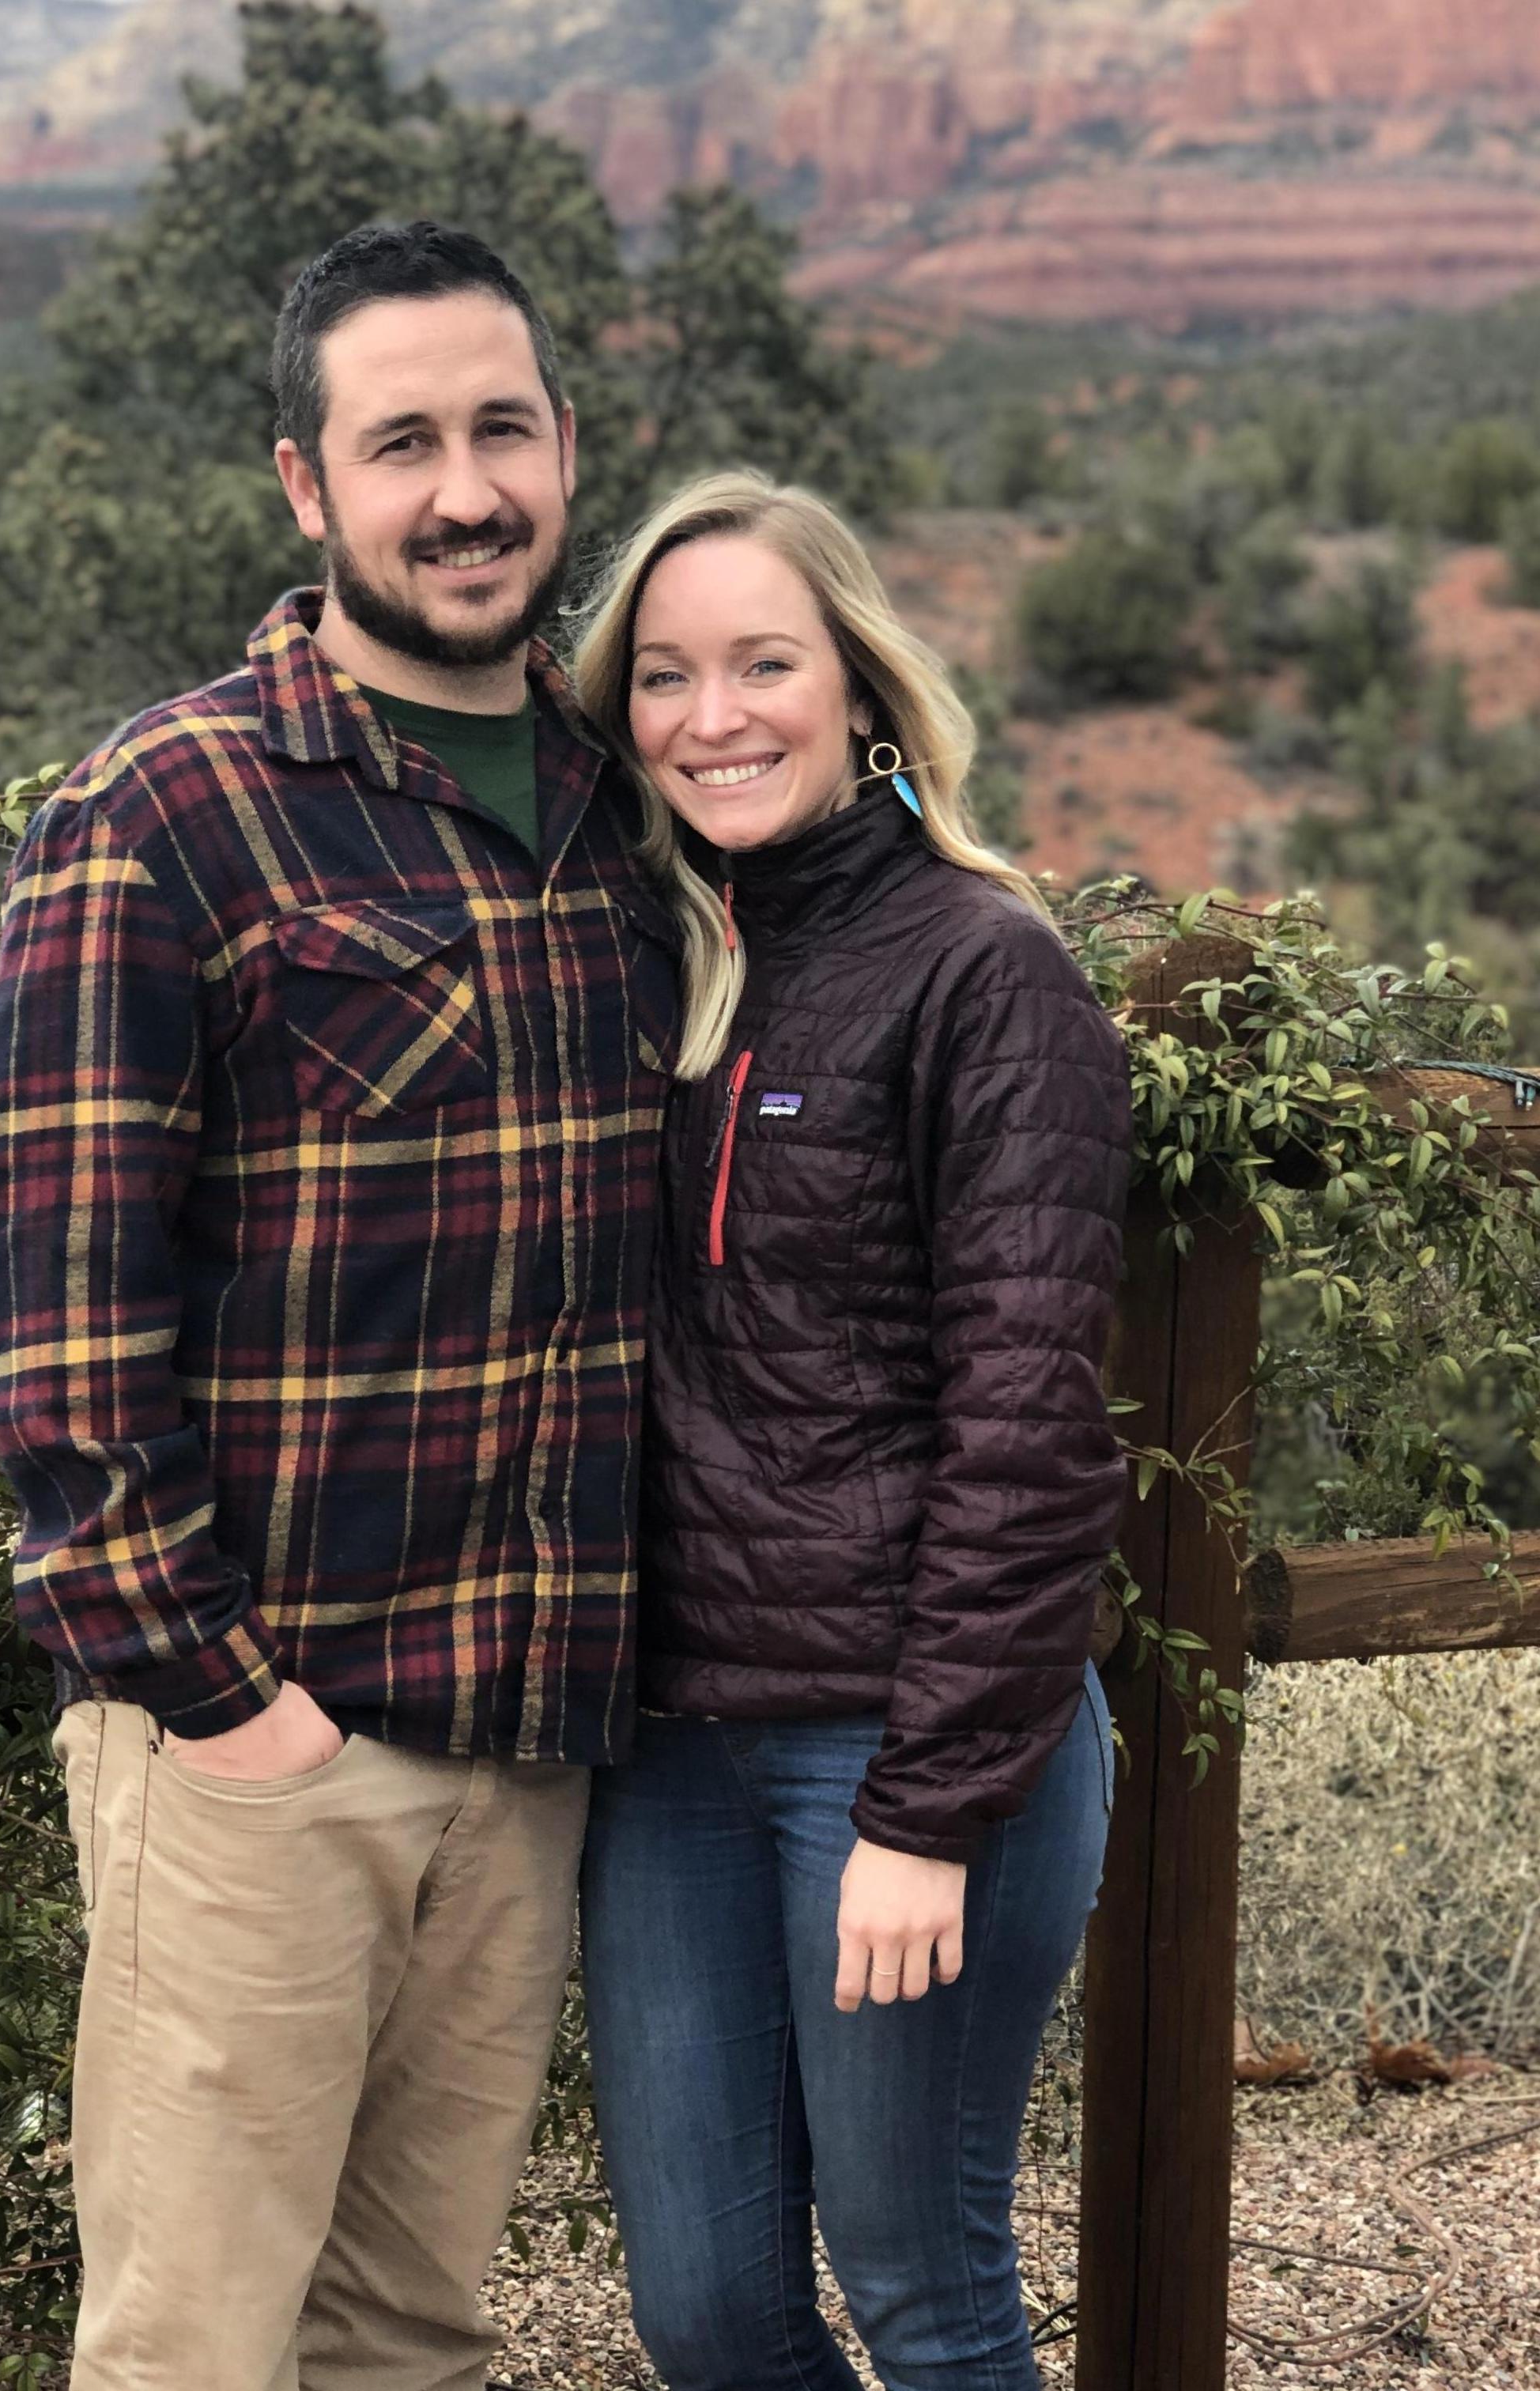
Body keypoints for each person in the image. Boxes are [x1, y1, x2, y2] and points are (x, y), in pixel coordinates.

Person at [0, 221, 679, 2391]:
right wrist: (226, 1703)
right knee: (192, 2346)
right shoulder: (168, 812)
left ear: (567, 448)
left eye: (501, 431)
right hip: (263, 1744)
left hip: (529, 1739)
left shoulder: (631, 813)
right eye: (401, 444)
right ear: (306, 482)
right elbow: (53, 1326)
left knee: (409, 2336)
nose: (464, 492)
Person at [568, 470, 1132, 2391]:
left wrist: (928, 1810)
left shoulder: (987, 971)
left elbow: (1031, 1424)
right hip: (670, 1748)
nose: (712, 716)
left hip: (903, 1746)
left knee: (924, 2292)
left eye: (764, 664)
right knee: (710, 2316)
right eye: (663, 676)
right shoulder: (639, 959)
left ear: (863, 687)